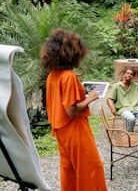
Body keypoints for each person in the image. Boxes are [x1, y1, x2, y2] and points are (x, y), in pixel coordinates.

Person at [40, 28, 107, 191]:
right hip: (75, 130)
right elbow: (71, 110)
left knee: (69, 170)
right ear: (72, 53)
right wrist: (90, 98)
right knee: (90, 169)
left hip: (60, 130)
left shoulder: (52, 75)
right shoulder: (68, 76)